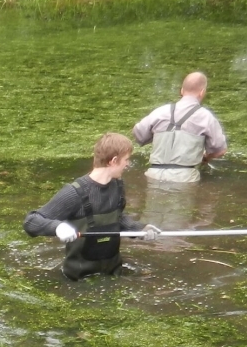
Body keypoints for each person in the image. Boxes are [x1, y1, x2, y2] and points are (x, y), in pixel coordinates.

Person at [23, 132, 150, 280]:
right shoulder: (74, 193)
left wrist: (140, 229)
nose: (128, 164)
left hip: (114, 274)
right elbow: (31, 221)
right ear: (113, 161)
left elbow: (117, 217)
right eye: (126, 160)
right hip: (78, 280)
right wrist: (58, 227)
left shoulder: (118, 186)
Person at [132, 72, 228, 183]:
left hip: (153, 176)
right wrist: (206, 158)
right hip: (186, 180)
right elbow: (220, 150)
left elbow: (138, 133)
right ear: (202, 92)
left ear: (181, 90)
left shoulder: (160, 111)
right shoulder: (206, 117)